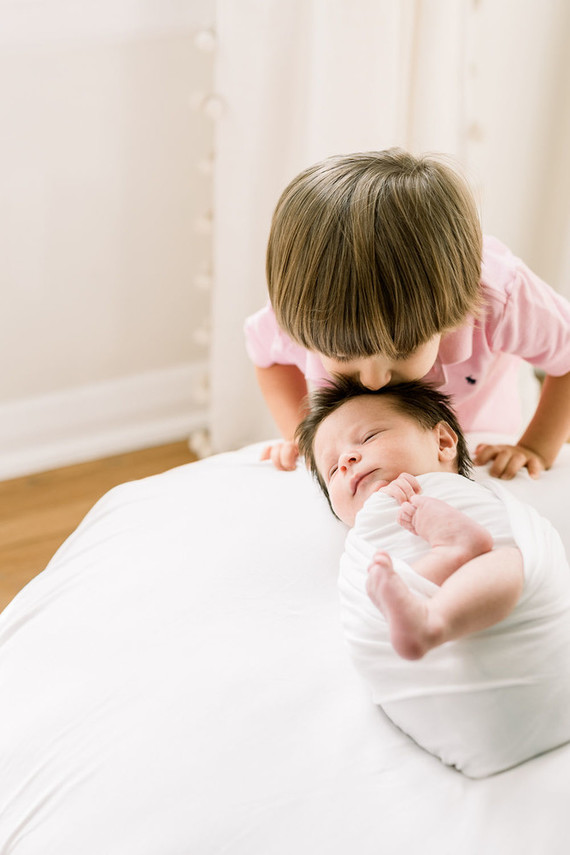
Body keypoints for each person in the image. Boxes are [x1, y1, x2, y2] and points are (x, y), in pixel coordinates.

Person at [295, 376, 570, 776]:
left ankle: (439, 605)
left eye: (368, 437)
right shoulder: (362, 547)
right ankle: (440, 581)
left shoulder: (453, 492)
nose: (348, 461)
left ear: (443, 443)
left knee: (509, 559)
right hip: (464, 717)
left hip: (514, 620)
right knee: (387, 587)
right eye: (333, 469)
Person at [245, 149, 570, 480]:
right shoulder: (308, 306)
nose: (373, 381)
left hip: (479, 435)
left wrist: (536, 447)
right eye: (343, 353)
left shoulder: (499, 297)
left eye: (402, 351)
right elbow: (267, 358)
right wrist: (300, 434)